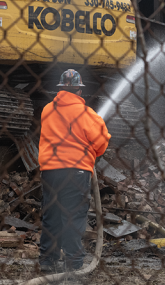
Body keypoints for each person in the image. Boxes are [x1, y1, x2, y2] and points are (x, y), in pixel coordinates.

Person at [38, 68, 111, 273]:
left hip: (50, 170)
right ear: (79, 90)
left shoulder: (47, 110)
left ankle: (47, 261)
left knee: (51, 215)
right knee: (72, 217)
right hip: (76, 171)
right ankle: (73, 264)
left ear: (61, 89)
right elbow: (102, 142)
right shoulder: (86, 113)